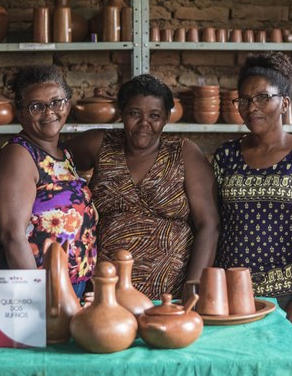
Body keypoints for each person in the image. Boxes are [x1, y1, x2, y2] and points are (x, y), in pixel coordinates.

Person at [212, 53, 292, 335]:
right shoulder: (226, 156)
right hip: (231, 298)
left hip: (288, 297)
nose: (251, 107)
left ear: (285, 103)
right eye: (243, 99)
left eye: (262, 97)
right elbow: (215, 225)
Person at [67, 74, 219, 300]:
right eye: (134, 114)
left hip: (172, 294)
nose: (144, 124)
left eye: (155, 116)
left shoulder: (184, 153)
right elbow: (49, 161)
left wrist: (194, 285)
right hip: (107, 292)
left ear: (167, 117)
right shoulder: (99, 144)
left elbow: (209, 224)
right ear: (122, 114)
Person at [0, 65, 97, 297]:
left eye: (56, 102)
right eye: (36, 106)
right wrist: (37, 297)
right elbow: (12, 236)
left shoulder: (63, 154)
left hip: (72, 284)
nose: (49, 112)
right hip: (45, 289)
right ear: (20, 114)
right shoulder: (19, 155)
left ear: (68, 105)